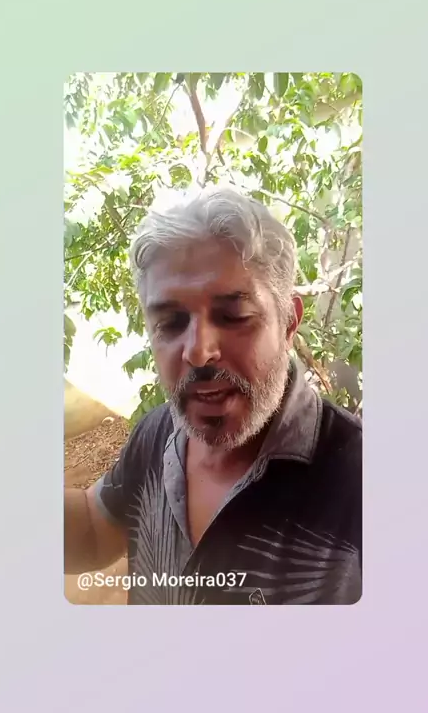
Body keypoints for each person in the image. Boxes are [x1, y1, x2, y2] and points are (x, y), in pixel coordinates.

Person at [64, 186, 362, 605]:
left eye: (233, 316)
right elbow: (96, 530)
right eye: (171, 323)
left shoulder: (361, 478)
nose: (198, 351)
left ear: (289, 323)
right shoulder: (157, 432)